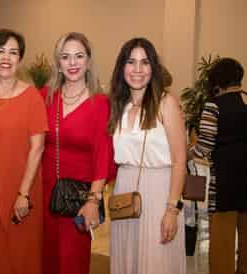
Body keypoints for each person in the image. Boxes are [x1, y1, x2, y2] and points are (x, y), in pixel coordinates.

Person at [108, 37, 187, 274]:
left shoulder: (166, 103)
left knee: (156, 263)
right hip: (125, 193)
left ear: (153, 68)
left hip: (159, 192)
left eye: (145, 62)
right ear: (122, 68)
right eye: (131, 62)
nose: (138, 70)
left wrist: (172, 210)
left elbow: (179, 160)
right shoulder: (117, 106)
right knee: (127, 261)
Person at [0, 29, 48, 274]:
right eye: (0, 51)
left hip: (18, 190)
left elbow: (38, 148)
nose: (6, 58)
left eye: (13, 52)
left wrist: (23, 194)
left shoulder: (31, 98)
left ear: (20, 59)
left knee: (17, 257)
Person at [41, 32, 116, 274]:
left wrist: (93, 201)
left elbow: (104, 155)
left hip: (78, 199)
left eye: (79, 56)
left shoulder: (100, 103)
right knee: (46, 260)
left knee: (72, 263)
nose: (72, 63)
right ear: (58, 63)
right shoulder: (46, 97)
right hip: (44, 195)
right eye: (65, 57)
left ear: (88, 61)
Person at [189, 58, 247, 274]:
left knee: (222, 244)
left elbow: (203, 147)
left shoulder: (214, 106)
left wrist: (184, 153)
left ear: (217, 81)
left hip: (224, 183)